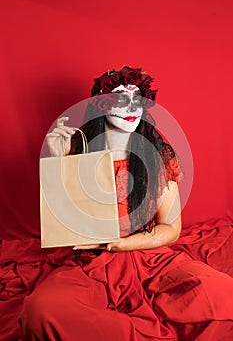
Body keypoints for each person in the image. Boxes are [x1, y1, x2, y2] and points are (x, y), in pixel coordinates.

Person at [20, 66, 233, 340]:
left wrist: (122, 244)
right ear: (99, 105)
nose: (131, 106)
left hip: (151, 260)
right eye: (120, 98)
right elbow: (64, 227)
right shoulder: (77, 149)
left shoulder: (158, 155)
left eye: (137, 99)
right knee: (42, 312)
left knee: (223, 293)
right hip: (92, 265)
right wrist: (60, 163)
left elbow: (171, 227)